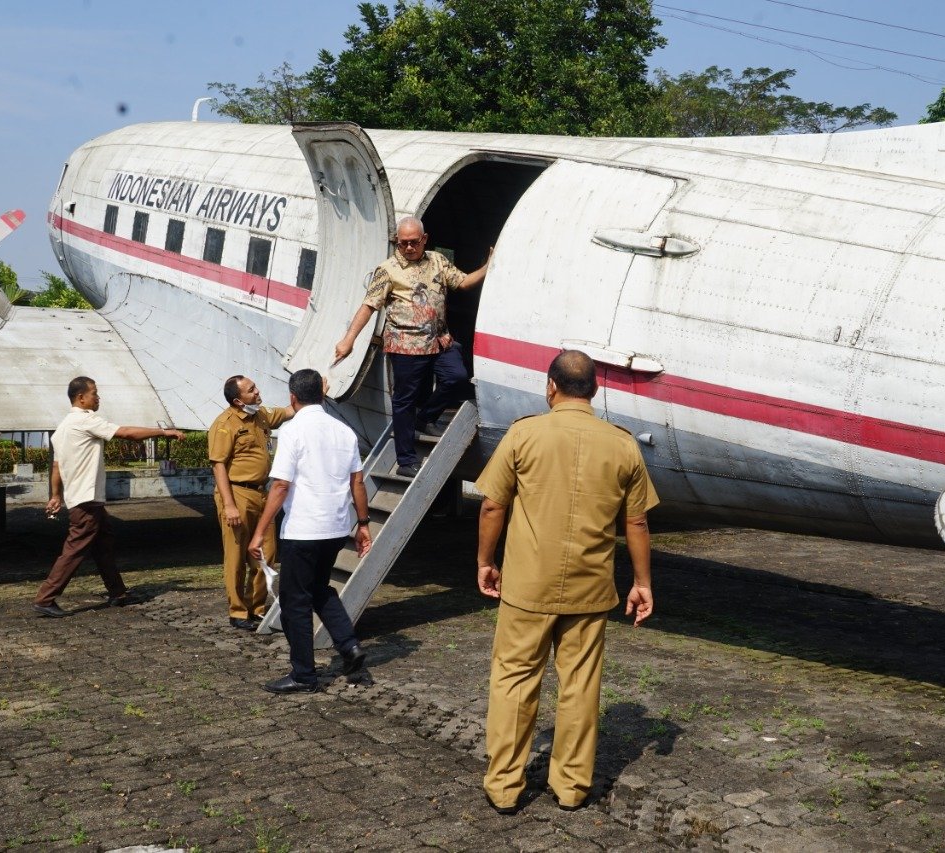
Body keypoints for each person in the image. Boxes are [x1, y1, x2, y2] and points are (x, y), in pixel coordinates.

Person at [474, 350, 658, 814]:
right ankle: (572, 787)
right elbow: (636, 522)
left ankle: (505, 787)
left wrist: (485, 560)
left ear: (549, 386)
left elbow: (493, 505)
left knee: (515, 680)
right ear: (594, 391)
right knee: (579, 685)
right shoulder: (622, 444)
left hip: (528, 587)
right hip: (590, 588)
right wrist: (642, 582)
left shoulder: (524, 434)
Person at [333, 216, 490, 478]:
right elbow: (369, 305)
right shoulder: (388, 270)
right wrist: (349, 339)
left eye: (414, 243)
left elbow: (462, 282)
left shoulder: (437, 261)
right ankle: (406, 459)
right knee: (404, 401)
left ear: (424, 240)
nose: (408, 248)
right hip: (406, 345)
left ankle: (424, 418)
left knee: (456, 378)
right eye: (403, 243)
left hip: (439, 340)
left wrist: (488, 266)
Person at [247, 368, 373, 693]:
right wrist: (363, 524)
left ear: (292, 397)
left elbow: (280, 487)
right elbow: (357, 482)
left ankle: (304, 674)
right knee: (319, 589)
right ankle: (349, 646)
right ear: (323, 393)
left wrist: (259, 532)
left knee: (295, 602)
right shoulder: (344, 431)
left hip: (304, 529)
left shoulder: (292, 431)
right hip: (335, 527)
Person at [34, 376, 185, 617]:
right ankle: (45, 598)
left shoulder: (62, 428)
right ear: (81, 398)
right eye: (94, 393)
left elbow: (56, 466)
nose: (98, 397)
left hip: (84, 498)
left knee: (103, 542)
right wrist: (163, 431)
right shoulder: (85, 421)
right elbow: (126, 433)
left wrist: (55, 495)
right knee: (75, 548)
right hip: (86, 499)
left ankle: (117, 592)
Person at [208, 375, 293, 631]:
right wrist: (229, 504)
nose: (257, 392)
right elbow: (218, 465)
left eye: (255, 386)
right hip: (237, 493)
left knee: (266, 551)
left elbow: (289, 411)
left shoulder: (262, 416)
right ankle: (237, 611)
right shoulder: (224, 425)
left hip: (261, 493)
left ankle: (256, 607)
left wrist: (315, 389)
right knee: (235, 555)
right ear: (237, 400)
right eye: (251, 390)